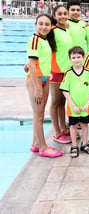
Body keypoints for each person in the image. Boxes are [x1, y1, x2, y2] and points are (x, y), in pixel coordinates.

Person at [26, 14, 62, 158]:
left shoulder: (44, 40)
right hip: (37, 81)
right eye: (40, 23)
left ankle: (35, 143)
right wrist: (37, 88)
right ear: (35, 25)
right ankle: (43, 147)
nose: (44, 27)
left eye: (47, 24)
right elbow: (33, 66)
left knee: (39, 113)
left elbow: (34, 61)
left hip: (44, 78)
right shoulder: (35, 39)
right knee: (38, 115)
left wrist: (27, 66)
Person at [60, 46, 89, 157]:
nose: (76, 59)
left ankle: (84, 144)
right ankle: (74, 146)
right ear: (70, 59)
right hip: (73, 107)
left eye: (79, 57)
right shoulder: (68, 73)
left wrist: (87, 103)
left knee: (85, 125)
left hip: (85, 106)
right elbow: (65, 91)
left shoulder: (88, 72)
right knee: (73, 126)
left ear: (83, 57)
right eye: (74, 57)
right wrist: (73, 105)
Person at [50, 5, 73, 144]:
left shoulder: (66, 29)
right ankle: (57, 132)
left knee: (62, 102)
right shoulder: (52, 31)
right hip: (56, 71)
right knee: (55, 102)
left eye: (65, 13)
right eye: (60, 14)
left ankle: (63, 129)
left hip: (66, 71)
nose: (63, 16)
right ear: (54, 16)